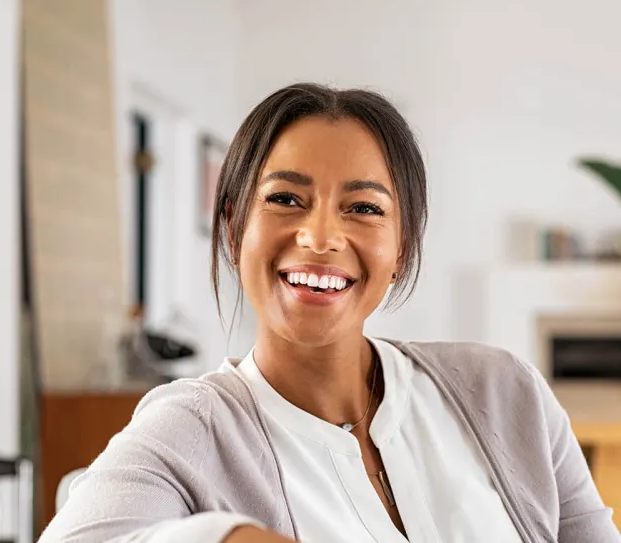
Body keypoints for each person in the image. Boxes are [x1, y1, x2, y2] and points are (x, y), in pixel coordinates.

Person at [40, 83, 620, 543]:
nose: (320, 237)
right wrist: (227, 537)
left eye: (364, 207)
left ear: (402, 248)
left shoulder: (505, 391)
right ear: (233, 226)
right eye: (286, 199)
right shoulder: (192, 428)